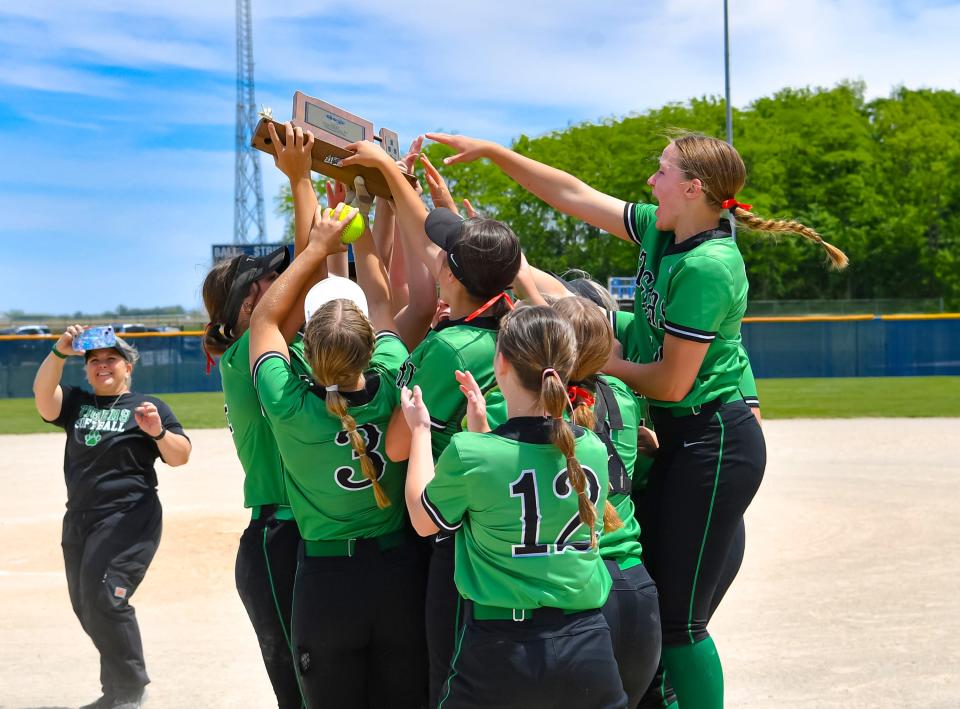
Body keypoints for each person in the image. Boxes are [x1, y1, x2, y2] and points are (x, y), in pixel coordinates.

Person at [426, 130, 847, 708]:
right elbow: (573, 194)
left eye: (662, 171)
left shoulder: (709, 263)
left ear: (693, 187)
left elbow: (672, 382)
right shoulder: (665, 227)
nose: (652, 180)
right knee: (669, 608)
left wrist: (593, 359)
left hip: (713, 439)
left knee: (682, 622)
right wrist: (497, 156)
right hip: (683, 435)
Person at [341, 139, 523, 704]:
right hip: (519, 520)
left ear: (451, 271)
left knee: (450, 674)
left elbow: (396, 447)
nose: (434, 253)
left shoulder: (450, 347)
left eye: (443, 253)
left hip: (460, 530)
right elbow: (433, 254)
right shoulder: (521, 322)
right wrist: (397, 186)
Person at [401, 305, 628, 708]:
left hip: (502, 650)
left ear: (501, 361)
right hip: (588, 643)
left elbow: (423, 518)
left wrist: (419, 430)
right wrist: (484, 432)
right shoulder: (590, 448)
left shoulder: (473, 454)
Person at [248, 201, 428, 708]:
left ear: (307, 343)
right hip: (398, 575)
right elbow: (382, 298)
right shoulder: (395, 376)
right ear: (370, 344)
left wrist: (316, 248)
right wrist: (361, 228)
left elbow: (264, 320)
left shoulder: (288, 403)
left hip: (328, 582)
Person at [201, 121, 338, 708]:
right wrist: (301, 182)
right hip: (277, 537)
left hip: (311, 530)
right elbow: (310, 276)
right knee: (301, 693)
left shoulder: (289, 347)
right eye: (266, 283)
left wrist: (313, 193)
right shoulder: (242, 356)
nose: (281, 283)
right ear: (244, 309)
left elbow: (318, 277)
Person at [33, 328, 191, 709]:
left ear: (128, 366)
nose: (102, 366)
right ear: (87, 370)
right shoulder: (76, 403)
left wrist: (157, 433)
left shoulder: (147, 406)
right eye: (94, 362)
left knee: (105, 595)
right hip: (81, 519)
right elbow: (43, 397)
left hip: (129, 517)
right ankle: (116, 691)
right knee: (86, 604)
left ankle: (130, 691)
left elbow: (180, 455)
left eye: (111, 359)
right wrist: (59, 351)